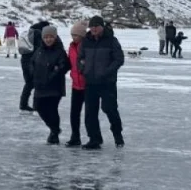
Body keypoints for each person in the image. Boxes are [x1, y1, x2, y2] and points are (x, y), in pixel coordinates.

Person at [78, 15, 125, 149]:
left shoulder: (111, 40)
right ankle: (94, 139)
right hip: (90, 82)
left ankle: (117, 135)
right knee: (90, 112)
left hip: (107, 83)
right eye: (91, 26)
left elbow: (119, 59)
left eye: (96, 26)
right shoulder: (86, 41)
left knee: (110, 109)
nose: (93, 29)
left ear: (102, 27)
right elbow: (80, 58)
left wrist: (107, 72)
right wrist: (82, 69)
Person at [30, 26, 70, 144]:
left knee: (52, 110)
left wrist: (54, 74)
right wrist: (33, 73)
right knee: (38, 107)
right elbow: (32, 62)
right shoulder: (39, 50)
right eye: (46, 37)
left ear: (55, 37)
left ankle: (54, 134)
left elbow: (64, 66)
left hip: (54, 86)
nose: (48, 39)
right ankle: (55, 129)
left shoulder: (59, 51)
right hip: (39, 85)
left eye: (51, 37)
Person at [18, 20, 49, 113]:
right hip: (33, 61)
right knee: (37, 83)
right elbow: (41, 48)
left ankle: (23, 104)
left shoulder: (29, 33)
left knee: (29, 83)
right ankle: (37, 106)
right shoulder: (39, 33)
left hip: (24, 60)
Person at [66, 22, 88, 147]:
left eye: (76, 35)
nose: (74, 37)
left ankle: (94, 137)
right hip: (76, 85)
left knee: (89, 114)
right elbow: (69, 62)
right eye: (72, 35)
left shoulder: (87, 47)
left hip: (87, 85)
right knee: (74, 113)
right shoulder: (71, 47)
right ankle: (75, 136)